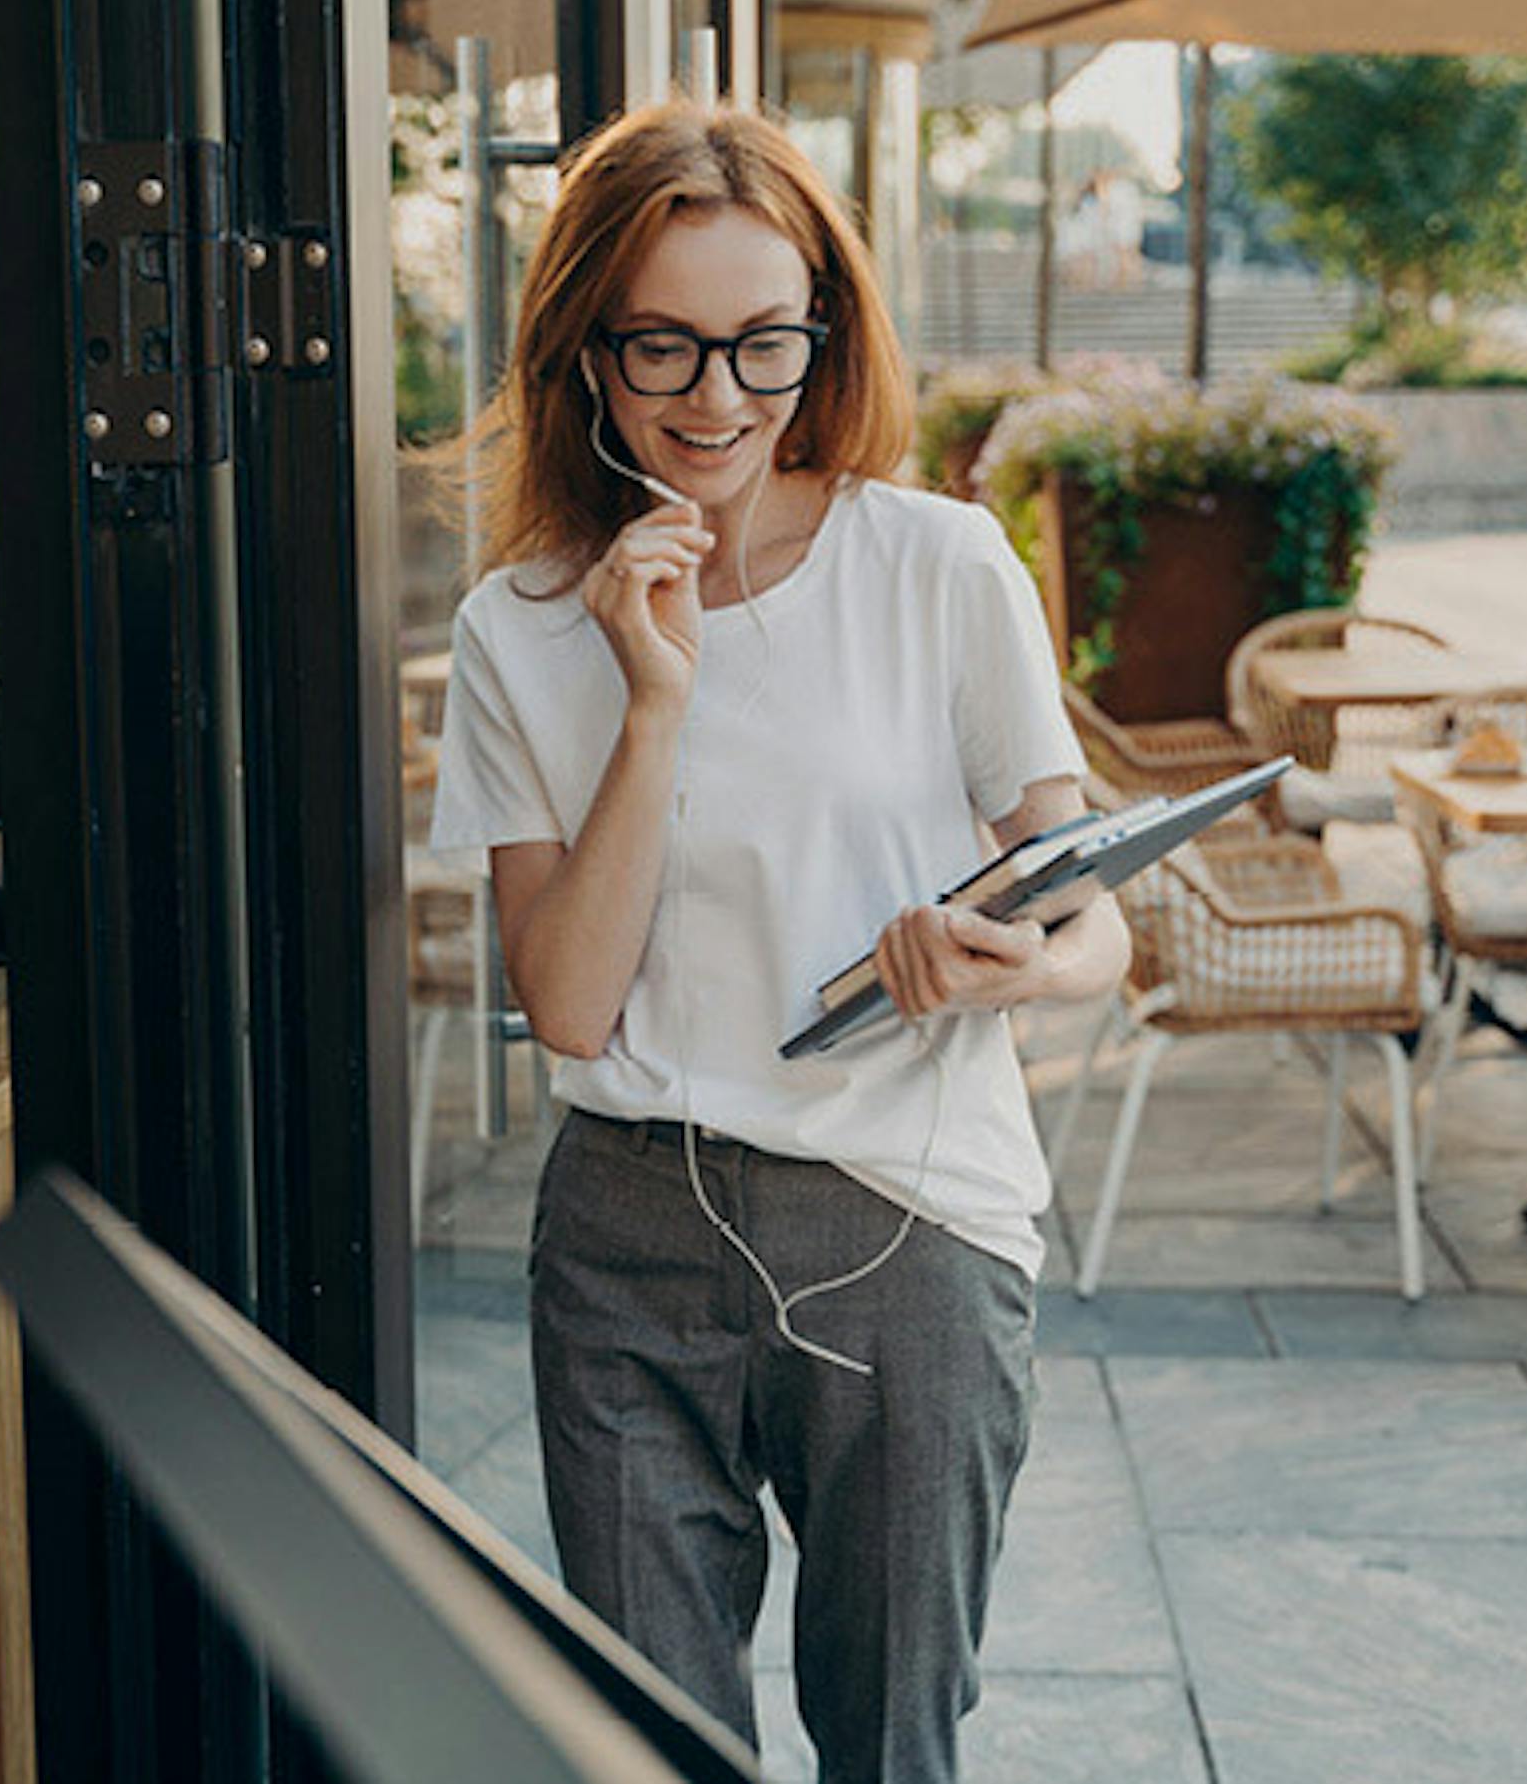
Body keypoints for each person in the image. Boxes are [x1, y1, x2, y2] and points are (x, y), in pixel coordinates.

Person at [427, 102, 1130, 1783]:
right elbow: (574, 1007)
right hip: (629, 1227)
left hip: (908, 1217)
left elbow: (1091, 909)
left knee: (893, 1741)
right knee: (648, 1744)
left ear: (822, 337)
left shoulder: (940, 565)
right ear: (587, 353)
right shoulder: (520, 632)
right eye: (663, 345)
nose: (718, 397)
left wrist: (1020, 962)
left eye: (762, 342)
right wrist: (654, 704)